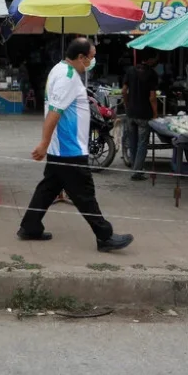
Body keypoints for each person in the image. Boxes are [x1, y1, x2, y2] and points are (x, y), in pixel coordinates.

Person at [18, 38, 134, 252]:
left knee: (48, 188)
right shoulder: (68, 77)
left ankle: (30, 226)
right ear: (80, 57)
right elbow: (55, 112)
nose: (93, 61)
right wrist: (43, 144)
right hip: (69, 148)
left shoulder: (59, 69)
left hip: (60, 147)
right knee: (84, 194)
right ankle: (104, 236)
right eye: (91, 57)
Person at [123, 47, 161, 182]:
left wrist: (127, 105)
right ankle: (137, 172)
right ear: (150, 59)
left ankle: (135, 167)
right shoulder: (152, 74)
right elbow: (152, 97)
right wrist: (156, 113)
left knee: (133, 142)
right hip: (144, 114)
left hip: (131, 113)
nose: (157, 61)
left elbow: (124, 91)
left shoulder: (131, 71)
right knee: (142, 143)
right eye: (155, 58)